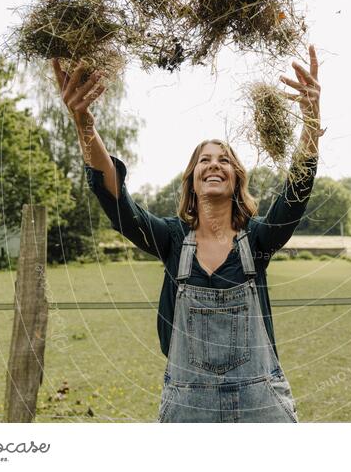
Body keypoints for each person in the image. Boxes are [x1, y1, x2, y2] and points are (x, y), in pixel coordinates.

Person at [51, 46, 323, 423]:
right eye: (204, 160)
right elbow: (119, 204)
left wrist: (310, 122)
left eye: (224, 159)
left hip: (261, 405)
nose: (214, 164)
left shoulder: (257, 241)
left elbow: (295, 196)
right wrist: (84, 125)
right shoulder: (171, 239)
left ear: (236, 178)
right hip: (188, 409)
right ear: (192, 181)